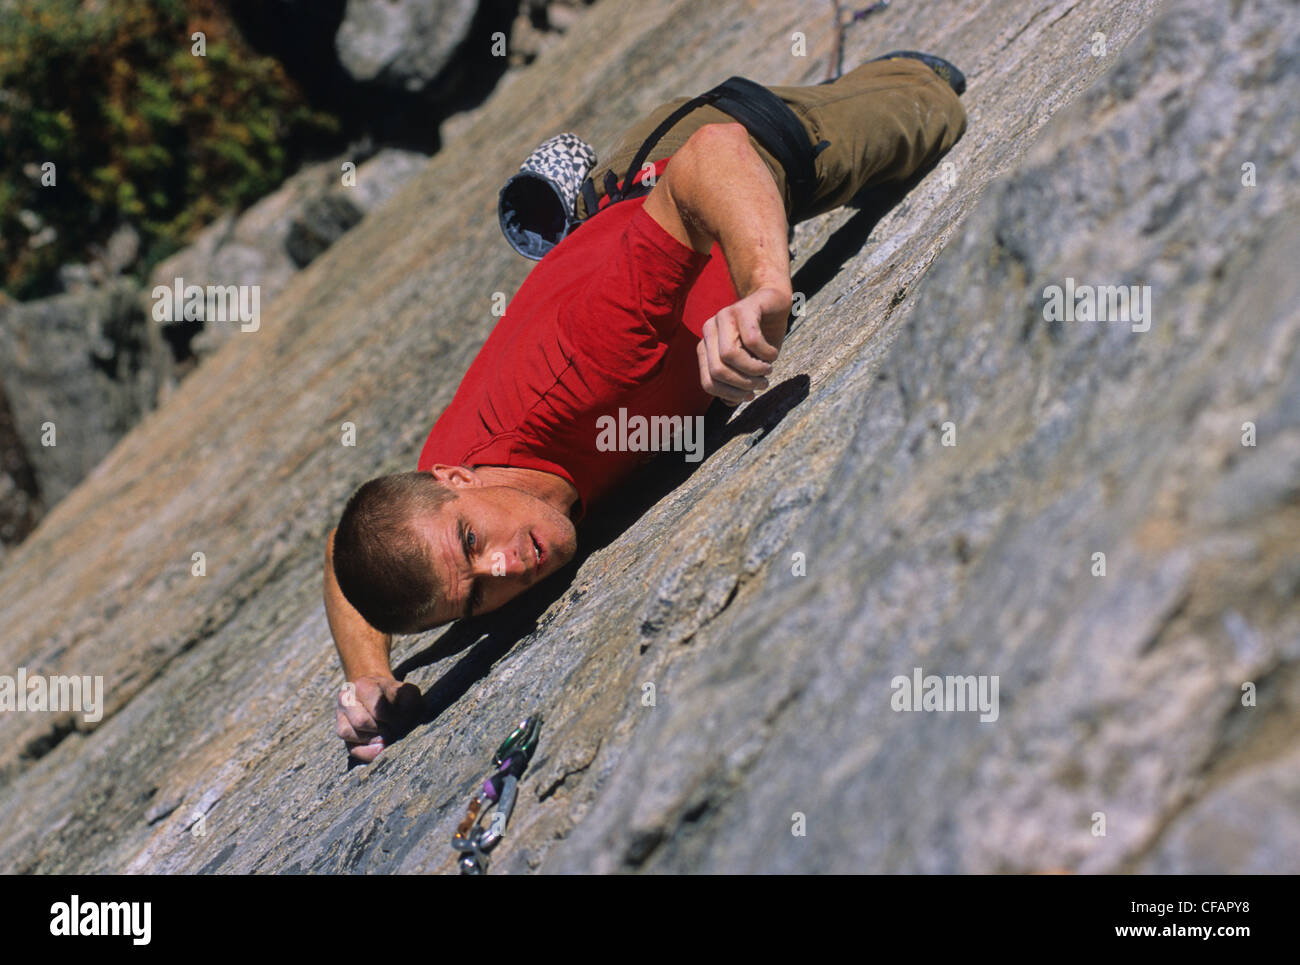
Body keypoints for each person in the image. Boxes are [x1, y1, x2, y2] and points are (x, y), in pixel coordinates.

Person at [326, 53, 968, 761]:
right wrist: (369, 675)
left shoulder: (589, 362)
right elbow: (348, 548)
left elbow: (712, 159)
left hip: (713, 161)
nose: (509, 568)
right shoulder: (420, 508)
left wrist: (764, 285)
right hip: (623, 222)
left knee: (934, 108)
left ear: (456, 479)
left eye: (474, 543)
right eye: (476, 598)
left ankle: (886, 73)